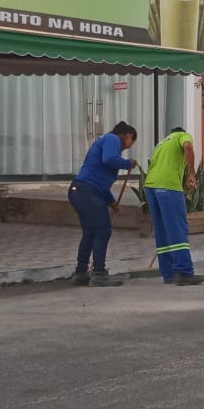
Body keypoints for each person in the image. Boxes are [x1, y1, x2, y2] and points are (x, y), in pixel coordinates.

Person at [68, 121, 139, 287]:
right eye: (130, 143)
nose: (126, 148)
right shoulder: (112, 139)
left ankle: (81, 272)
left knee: (90, 232)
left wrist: (112, 203)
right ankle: (99, 273)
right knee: (103, 229)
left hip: (81, 190)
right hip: (87, 191)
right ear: (128, 136)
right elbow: (109, 160)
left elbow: (101, 184)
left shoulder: (105, 142)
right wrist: (128, 163)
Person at [145, 127, 204, 286]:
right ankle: (184, 272)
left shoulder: (161, 144)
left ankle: (169, 273)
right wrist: (192, 173)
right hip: (168, 186)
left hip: (151, 187)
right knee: (178, 228)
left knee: (162, 230)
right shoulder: (182, 135)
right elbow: (187, 147)